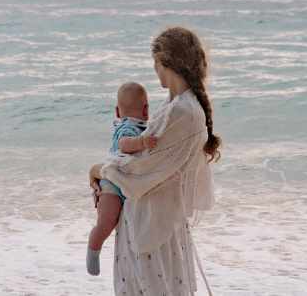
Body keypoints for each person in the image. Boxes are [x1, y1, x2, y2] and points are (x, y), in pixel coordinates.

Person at [88, 26, 220, 295]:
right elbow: (145, 164)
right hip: (153, 222)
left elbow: (141, 170)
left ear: (165, 62)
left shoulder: (182, 112)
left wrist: (99, 170)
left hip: (154, 228)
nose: (154, 70)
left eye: (155, 64)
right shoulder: (176, 107)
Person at [87, 81, 160, 276]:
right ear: (146, 110)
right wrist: (142, 142)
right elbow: (124, 144)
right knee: (106, 222)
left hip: (123, 182)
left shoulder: (143, 127)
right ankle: (94, 248)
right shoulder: (127, 126)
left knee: (115, 219)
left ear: (116, 111)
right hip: (110, 185)